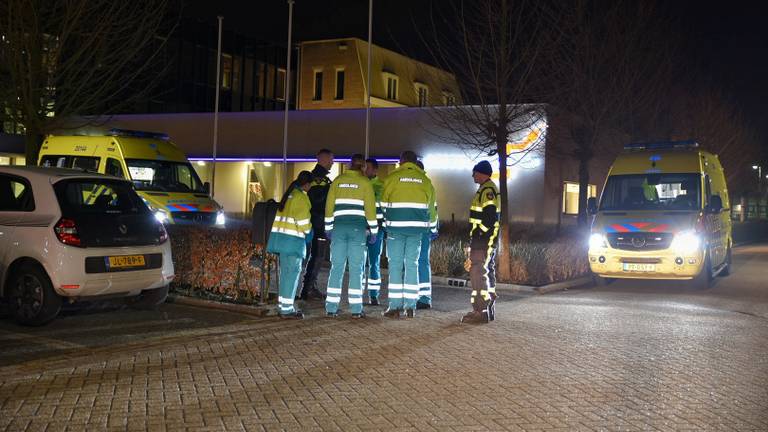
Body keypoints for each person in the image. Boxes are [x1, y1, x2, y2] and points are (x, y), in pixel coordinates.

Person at [380, 151, 437, 318]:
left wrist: (388, 219)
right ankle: (411, 306)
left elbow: (383, 204)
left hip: (395, 229)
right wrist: (432, 228)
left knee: (395, 266)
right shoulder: (425, 181)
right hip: (417, 231)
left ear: (401, 161)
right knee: (412, 265)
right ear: (415, 161)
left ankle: (395, 307)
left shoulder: (392, 178)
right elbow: (431, 209)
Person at [324, 154, 379, 318]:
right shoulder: (365, 183)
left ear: (349, 165)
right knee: (356, 269)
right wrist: (374, 231)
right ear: (362, 167)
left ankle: (331, 308)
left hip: (339, 228)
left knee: (337, 268)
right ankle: (356, 309)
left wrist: (328, 228)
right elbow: (370, 210)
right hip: (357, 229)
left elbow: (329, 207)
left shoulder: (338, 181)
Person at [266, 171, 314, 319]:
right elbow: (304, 225)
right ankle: (287, 310)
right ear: (307, 184)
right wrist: (311, 231)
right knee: (291, 276)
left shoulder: (289, 195)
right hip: (293, 243)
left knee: (285, 275)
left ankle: (282, 306)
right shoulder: (301, 198)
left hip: (281, 241)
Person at [462, 160, 500, 324]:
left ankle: (480, 310)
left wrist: (478, 234)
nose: (473, 175)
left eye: (475, 172)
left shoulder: (488, 191)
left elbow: (489, 219)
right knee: (486, 271)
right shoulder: (487, 189)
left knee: (478, 273)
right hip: (484, 239)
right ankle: (487, 307)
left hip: (482, 240)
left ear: (483, 173)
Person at [300, 148, 334, 300]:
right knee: (317, 256)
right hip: (318, 222)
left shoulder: (322, 178)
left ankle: (309, 287)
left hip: (319, 221)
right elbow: (317, 200)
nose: (332, 163)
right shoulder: (318, 179)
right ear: (324, 159)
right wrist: (330, 189)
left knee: (317, 256)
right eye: (331, 160)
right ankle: (307, 288)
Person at [415, 160, 438, 309]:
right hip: (424, 230)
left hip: (410, 230)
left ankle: (415, 296)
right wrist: (434, 229)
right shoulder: (428, 184)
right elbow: (433, 210)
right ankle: (425, 297)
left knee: (411, 262)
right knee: (423, 262)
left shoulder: (406, 184)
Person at [364, 157, 385, 305]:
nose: (365, 170)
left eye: (368, 168)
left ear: (376, 170)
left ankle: (373, 295)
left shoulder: (381, 186)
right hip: (360, 228)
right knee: (358, 263)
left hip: (377, 230)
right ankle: (357, 294)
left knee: (374, 263)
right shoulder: (360, 184)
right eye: (364, 167)